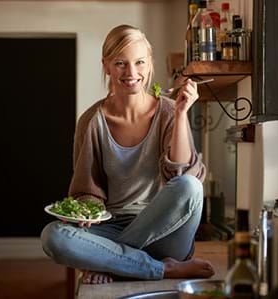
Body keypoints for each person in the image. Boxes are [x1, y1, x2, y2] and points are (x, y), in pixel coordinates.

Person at [41, 24, 214, 284]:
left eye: (139, 62)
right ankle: (162, 269)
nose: (131, 72)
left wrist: (180, 114)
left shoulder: (168, 111)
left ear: (149, 64)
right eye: (120, 63)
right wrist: (87, 212)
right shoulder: (91, 121)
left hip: (165, 233)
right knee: (52, 236)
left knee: (190, 185)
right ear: (106, 66)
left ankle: (111, 262)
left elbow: (180, 173)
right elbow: (86, 190)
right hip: (110, 227)